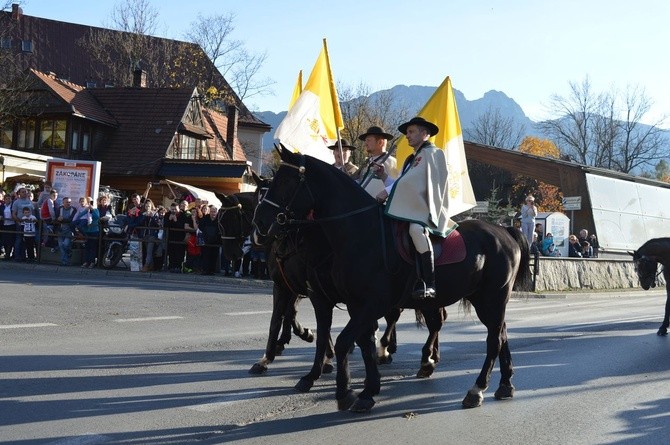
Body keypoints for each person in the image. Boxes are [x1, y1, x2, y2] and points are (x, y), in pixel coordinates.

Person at [375, 117, 450, 300]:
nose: (407, 136)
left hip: (426, 208)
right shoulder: (412, 158)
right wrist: (384, 176)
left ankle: (430, 283)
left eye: (411, 132)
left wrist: (386, 192)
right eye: (407, 132)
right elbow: (401, 182)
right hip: (411, 207)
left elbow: (411, 181)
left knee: (416, 230)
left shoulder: (432, 153)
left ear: (425, 134)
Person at [355, 125, 399, 198]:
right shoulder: (367, 162)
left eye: (368, 140)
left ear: (380, 142)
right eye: (365, 141)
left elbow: (395, 187)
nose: (365, 144)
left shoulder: (391, 162)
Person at [193, 204, 221, 275]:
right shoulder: (205, 218)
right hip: (206, 241)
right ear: (210, 212)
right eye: (211, 211)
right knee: (205, 256)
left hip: (216, 242)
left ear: (217, 212)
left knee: (214, 256)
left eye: (214, 212)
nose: (213, 213)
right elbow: (201, 228)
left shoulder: (219, 219)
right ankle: (205, 270)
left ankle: (212, 271)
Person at [164, 201, 190, 273]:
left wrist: (176, 221)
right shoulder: (167, 214)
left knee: (179, 253)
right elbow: (165, 225)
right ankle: (171, 266)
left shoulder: (183, 215)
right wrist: (169, 219)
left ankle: (178, 267)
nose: (174, 211)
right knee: (171, 252)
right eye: (172, 209)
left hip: (180, 237)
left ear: (178, 208)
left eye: (175, 209)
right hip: (170, 237)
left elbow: (183, 226)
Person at [11, 187, 34, 262]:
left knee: (27, 240)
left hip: (29, 224)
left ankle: (24, 257)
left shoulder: (30, 201)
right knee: (19, 239)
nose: (24, 193)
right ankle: (17, 256)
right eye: (23, 192)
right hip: (20, 224)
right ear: (19, 193)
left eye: (25, 192)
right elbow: (13, 214)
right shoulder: (16, 202)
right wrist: (18, 221)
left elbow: (32, 211)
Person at [76, 197, 100, 268]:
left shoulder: (96, 210)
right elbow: (79, 216)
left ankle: (92, 262)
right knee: (87, 247)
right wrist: (86, 210)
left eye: (91, 202)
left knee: (92, 247)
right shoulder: (85, 210)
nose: (89, 203)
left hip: (94, 231)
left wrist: (92, 209)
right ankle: (86, 261)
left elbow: (96, 217)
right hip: (86, 231)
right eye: (88, 202)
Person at [56, 197, 77, 266]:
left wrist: (62, 219)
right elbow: (56, 218)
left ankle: (69, 252)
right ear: (63, 202)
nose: (68, 203)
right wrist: (58, 219)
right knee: (61, 245)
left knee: (65, 244)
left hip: (69, 230)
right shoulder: (60, 209)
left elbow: (71, 220)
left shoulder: (73, 209)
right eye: (66, 202)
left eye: (69, 202)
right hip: (60, 230)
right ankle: (64, 262)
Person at [1, 194, 17, 260]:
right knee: (4, 240)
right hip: (4, 225)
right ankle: (6, 253)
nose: (8, 200)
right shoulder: (2, 206)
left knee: (10, 241)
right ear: (4, 200)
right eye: (6, 199)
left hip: (12, 225)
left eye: (9, 198)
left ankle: (8, 254)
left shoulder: (12, 206)